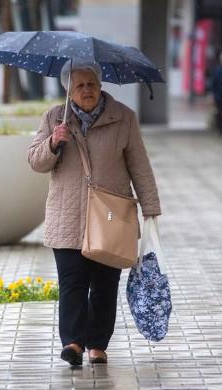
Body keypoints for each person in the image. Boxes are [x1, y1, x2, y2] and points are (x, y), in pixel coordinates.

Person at [27, 61, 162, 367]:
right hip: (68, 214)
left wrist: (150, 207)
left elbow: (139, 165)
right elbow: (35, 161)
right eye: (79, 86)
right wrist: (53, 142)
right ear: (69, 91)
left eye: (92, 84)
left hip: (110, 214)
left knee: (104, 284)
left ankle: (97, 344)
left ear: (101, 85)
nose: (87, 90)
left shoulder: (123, 118)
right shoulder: (53, 118)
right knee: (72, 283)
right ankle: (73, 343)